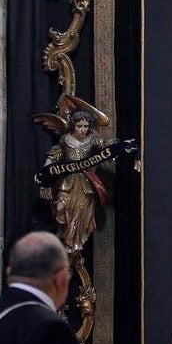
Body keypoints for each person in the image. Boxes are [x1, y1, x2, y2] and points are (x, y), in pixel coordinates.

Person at [43, 108, 117, 252]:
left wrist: (117, 147)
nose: (83, 129)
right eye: (79, 126)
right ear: (73, 126)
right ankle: (66, 236)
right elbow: (54, 155)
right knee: (60, 208)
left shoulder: (92, 140)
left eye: (85, 126)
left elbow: (106, 146)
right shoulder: (65, 139)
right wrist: (45, 172)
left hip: (85, 183)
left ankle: (74, 243)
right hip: (68, 181)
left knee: (80, 214)